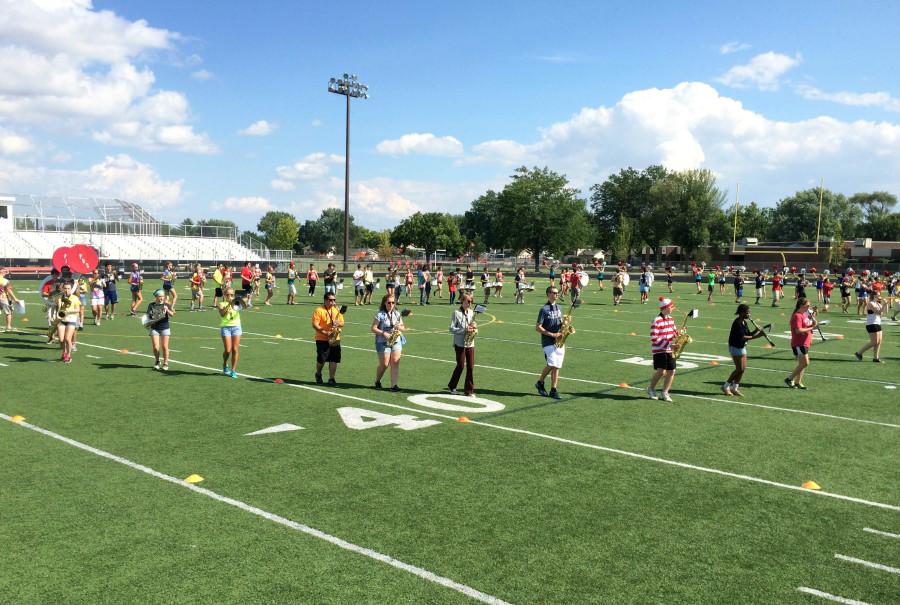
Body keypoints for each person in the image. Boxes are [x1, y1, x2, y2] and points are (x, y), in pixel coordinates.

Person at [534, 286, 569, 400]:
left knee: (557, 366)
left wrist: (565, 323)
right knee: (553, 363)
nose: (556, 294)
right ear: (548, 294)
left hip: (559, 341)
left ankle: (553, 390)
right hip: (548, 341)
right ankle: (540, 382)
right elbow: (538, 327)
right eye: (554, 293)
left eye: (557, 293)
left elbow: (559, 323)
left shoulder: (559, 307)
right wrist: (552, 334)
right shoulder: (544, 309)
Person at [723, 304, 764, 396]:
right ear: (742, 313)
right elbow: (743, 337)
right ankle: (725, 386)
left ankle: (734, 388)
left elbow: (748, 333)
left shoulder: (744, 322)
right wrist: (757, 336)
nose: (749, 314)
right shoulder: (737, 323)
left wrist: (756, 330)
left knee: (742, 369)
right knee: (739, 369)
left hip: (742, 347)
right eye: (747, 312)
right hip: (735, 347)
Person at [647, 297, 678, 402]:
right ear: (666, 308)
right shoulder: (657, 320)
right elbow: (654, 338)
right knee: (661, 371)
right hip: (659, 350)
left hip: (669, 350)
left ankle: (665, 392)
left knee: (672, 371)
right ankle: (651, 389)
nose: (673, 308)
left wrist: (680, 333)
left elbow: (674, 332)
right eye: (671, 306)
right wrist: (669, 345)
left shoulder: (671, 319)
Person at [371, 294, 405, 391]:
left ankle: (393, 385)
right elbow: (373, 328)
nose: (391, 304)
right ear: (384, 303)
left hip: (396, 340)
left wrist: (398, 327)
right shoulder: (380, 314)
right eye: (389, 302)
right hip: (382, 341)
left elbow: (403, 327)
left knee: (395, 363)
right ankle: (377, 380)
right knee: (385, 364)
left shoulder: (397, 314)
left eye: (393, 302)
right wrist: (383, 333)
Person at [447, 293, 477, 396]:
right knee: (460, 365)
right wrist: (464, 330)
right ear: (463, 301)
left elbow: (474, 324)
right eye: (468, 301)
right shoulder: (456, 313)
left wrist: (474, 327)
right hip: (460, 343)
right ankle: (452, 386)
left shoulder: (472, 312)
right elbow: (451, 329)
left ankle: (469, 390)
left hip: (470, 343)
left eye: (471, 301)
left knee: (471, 366)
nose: (470, 303)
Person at [312, 292, 344, 385]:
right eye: (331, 300)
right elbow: (315, 325)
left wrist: (338, 324)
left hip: (335, 338)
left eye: (334, 300)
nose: (333, 302)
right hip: (322, 338)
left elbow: (342, 323)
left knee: (334, 359)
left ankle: (331, 378)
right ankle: (318, 374)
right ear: (325, 300)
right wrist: (325, 332)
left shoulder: (336, 310)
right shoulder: (319, 310)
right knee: (322, 359)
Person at [785, 297, 817, 389]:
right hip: (799, 343)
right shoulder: (797, 316)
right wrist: (812, 328)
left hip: (805, 342)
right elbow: (798, 330)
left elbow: (813, 324)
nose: (809, 307)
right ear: (801, 306)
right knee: (805, 363)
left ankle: (798, 382)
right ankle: (789, 379)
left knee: (802, 364)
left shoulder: (805, 314)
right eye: (807, 306)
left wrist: (812, 316)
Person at [146, 288, 175, 371]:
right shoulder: (151, 305)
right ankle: (157, 361)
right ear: (156, 297)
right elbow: (148, 316)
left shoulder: (167, 304)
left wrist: (167, 310)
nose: (161, 298)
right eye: (159, 296)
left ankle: (166, 363)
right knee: (156, 347)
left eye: (162, 296)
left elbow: (172, 314)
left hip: (165, 327)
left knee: (165, 347)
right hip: (154, 328)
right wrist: (155, 313)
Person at [217, 287, 242, 378]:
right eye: (227, 295)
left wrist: (240, 301)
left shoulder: (236, 303)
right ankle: (224, 364)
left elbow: (245, 306)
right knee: (227, 350)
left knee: (235, 349)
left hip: (236, 327)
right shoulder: (221, 304)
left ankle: (233, 370)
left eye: (231, 295)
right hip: (226, 328)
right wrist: (229, 304)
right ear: (224, 295)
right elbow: (222, 314)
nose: (229, 296)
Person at [855, 290, 885, 362]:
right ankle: (859, 353)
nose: (879, 296)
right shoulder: (870, 303)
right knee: (874, 342)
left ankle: (875, 357)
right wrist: (884, 305)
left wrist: (886, 304)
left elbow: (883, 313)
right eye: (878, 295)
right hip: (871, 324)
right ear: (874, 296)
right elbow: (878, 312)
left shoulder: (878, 304)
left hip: (877, 323)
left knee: (879, 341)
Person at [56, 281, 81, 363]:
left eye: (68, 288)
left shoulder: (75, 298)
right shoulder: (60, 297)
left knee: (67, 339)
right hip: (62, 320)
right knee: (61, 339)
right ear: (63, 289)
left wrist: (68, 312)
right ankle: (64, 352)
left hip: (71, 320)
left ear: (71, 289)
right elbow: (58, 309)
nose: (67, 290)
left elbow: (78, 310)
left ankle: (68, 355)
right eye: (65, 288)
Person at [0, 268, 21, 333]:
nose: (6, 272)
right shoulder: (5, 280)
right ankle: (8, 326)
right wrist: (15, 298)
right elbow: (9, 290)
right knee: (8, 312)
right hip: (3, 298)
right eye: (5, 271)